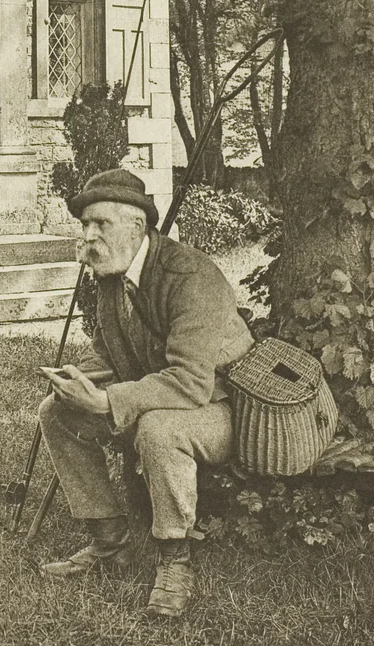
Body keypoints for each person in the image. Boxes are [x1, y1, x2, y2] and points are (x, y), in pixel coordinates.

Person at [38, 168, 253, 618]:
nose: (89, 236)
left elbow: (192, 383)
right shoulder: (111, 276)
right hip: (163, 396)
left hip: (222, 407)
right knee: (56, 412)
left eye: (101, 224)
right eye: (85, 226)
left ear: (137, 226)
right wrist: (76, 379)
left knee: (158, 429)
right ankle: (109, 542)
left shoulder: (190, 275)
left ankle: (175, 559)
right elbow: (108, 357)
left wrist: (109, 401)